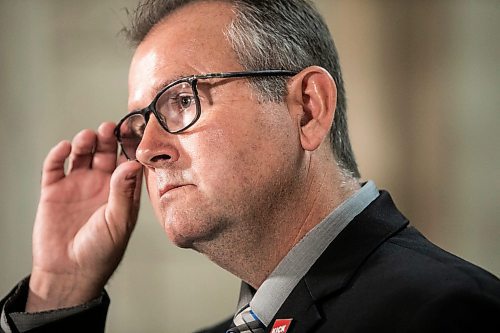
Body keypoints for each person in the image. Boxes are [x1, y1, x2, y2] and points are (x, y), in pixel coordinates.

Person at [1, 0, 499, 332]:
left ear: (307, 107)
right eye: (139, 122)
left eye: (181, 100)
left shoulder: (447, 312)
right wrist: (59, 290)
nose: (148, 147)